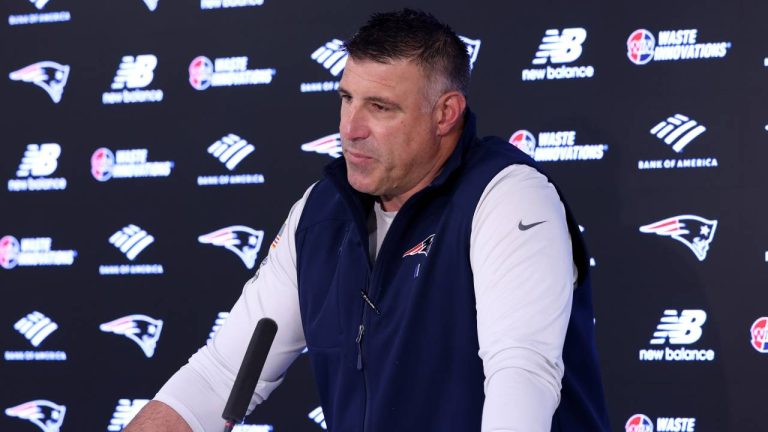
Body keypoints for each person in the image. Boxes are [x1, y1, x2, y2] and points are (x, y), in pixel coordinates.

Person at [126, 9, 610, 432]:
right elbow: (218, 378)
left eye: (380, 107)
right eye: (346, 99)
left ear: (445, 113)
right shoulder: (321, 211)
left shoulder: (508, 197)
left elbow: (521, 378)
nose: (350, 130)